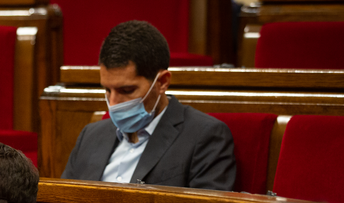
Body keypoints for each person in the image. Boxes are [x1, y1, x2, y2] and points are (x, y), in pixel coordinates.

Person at [61, 20, 236, 191]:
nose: (113, 103)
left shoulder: (205, 137)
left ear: (162, 82)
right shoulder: (90, 136)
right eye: (107, 90)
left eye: (127, 90)